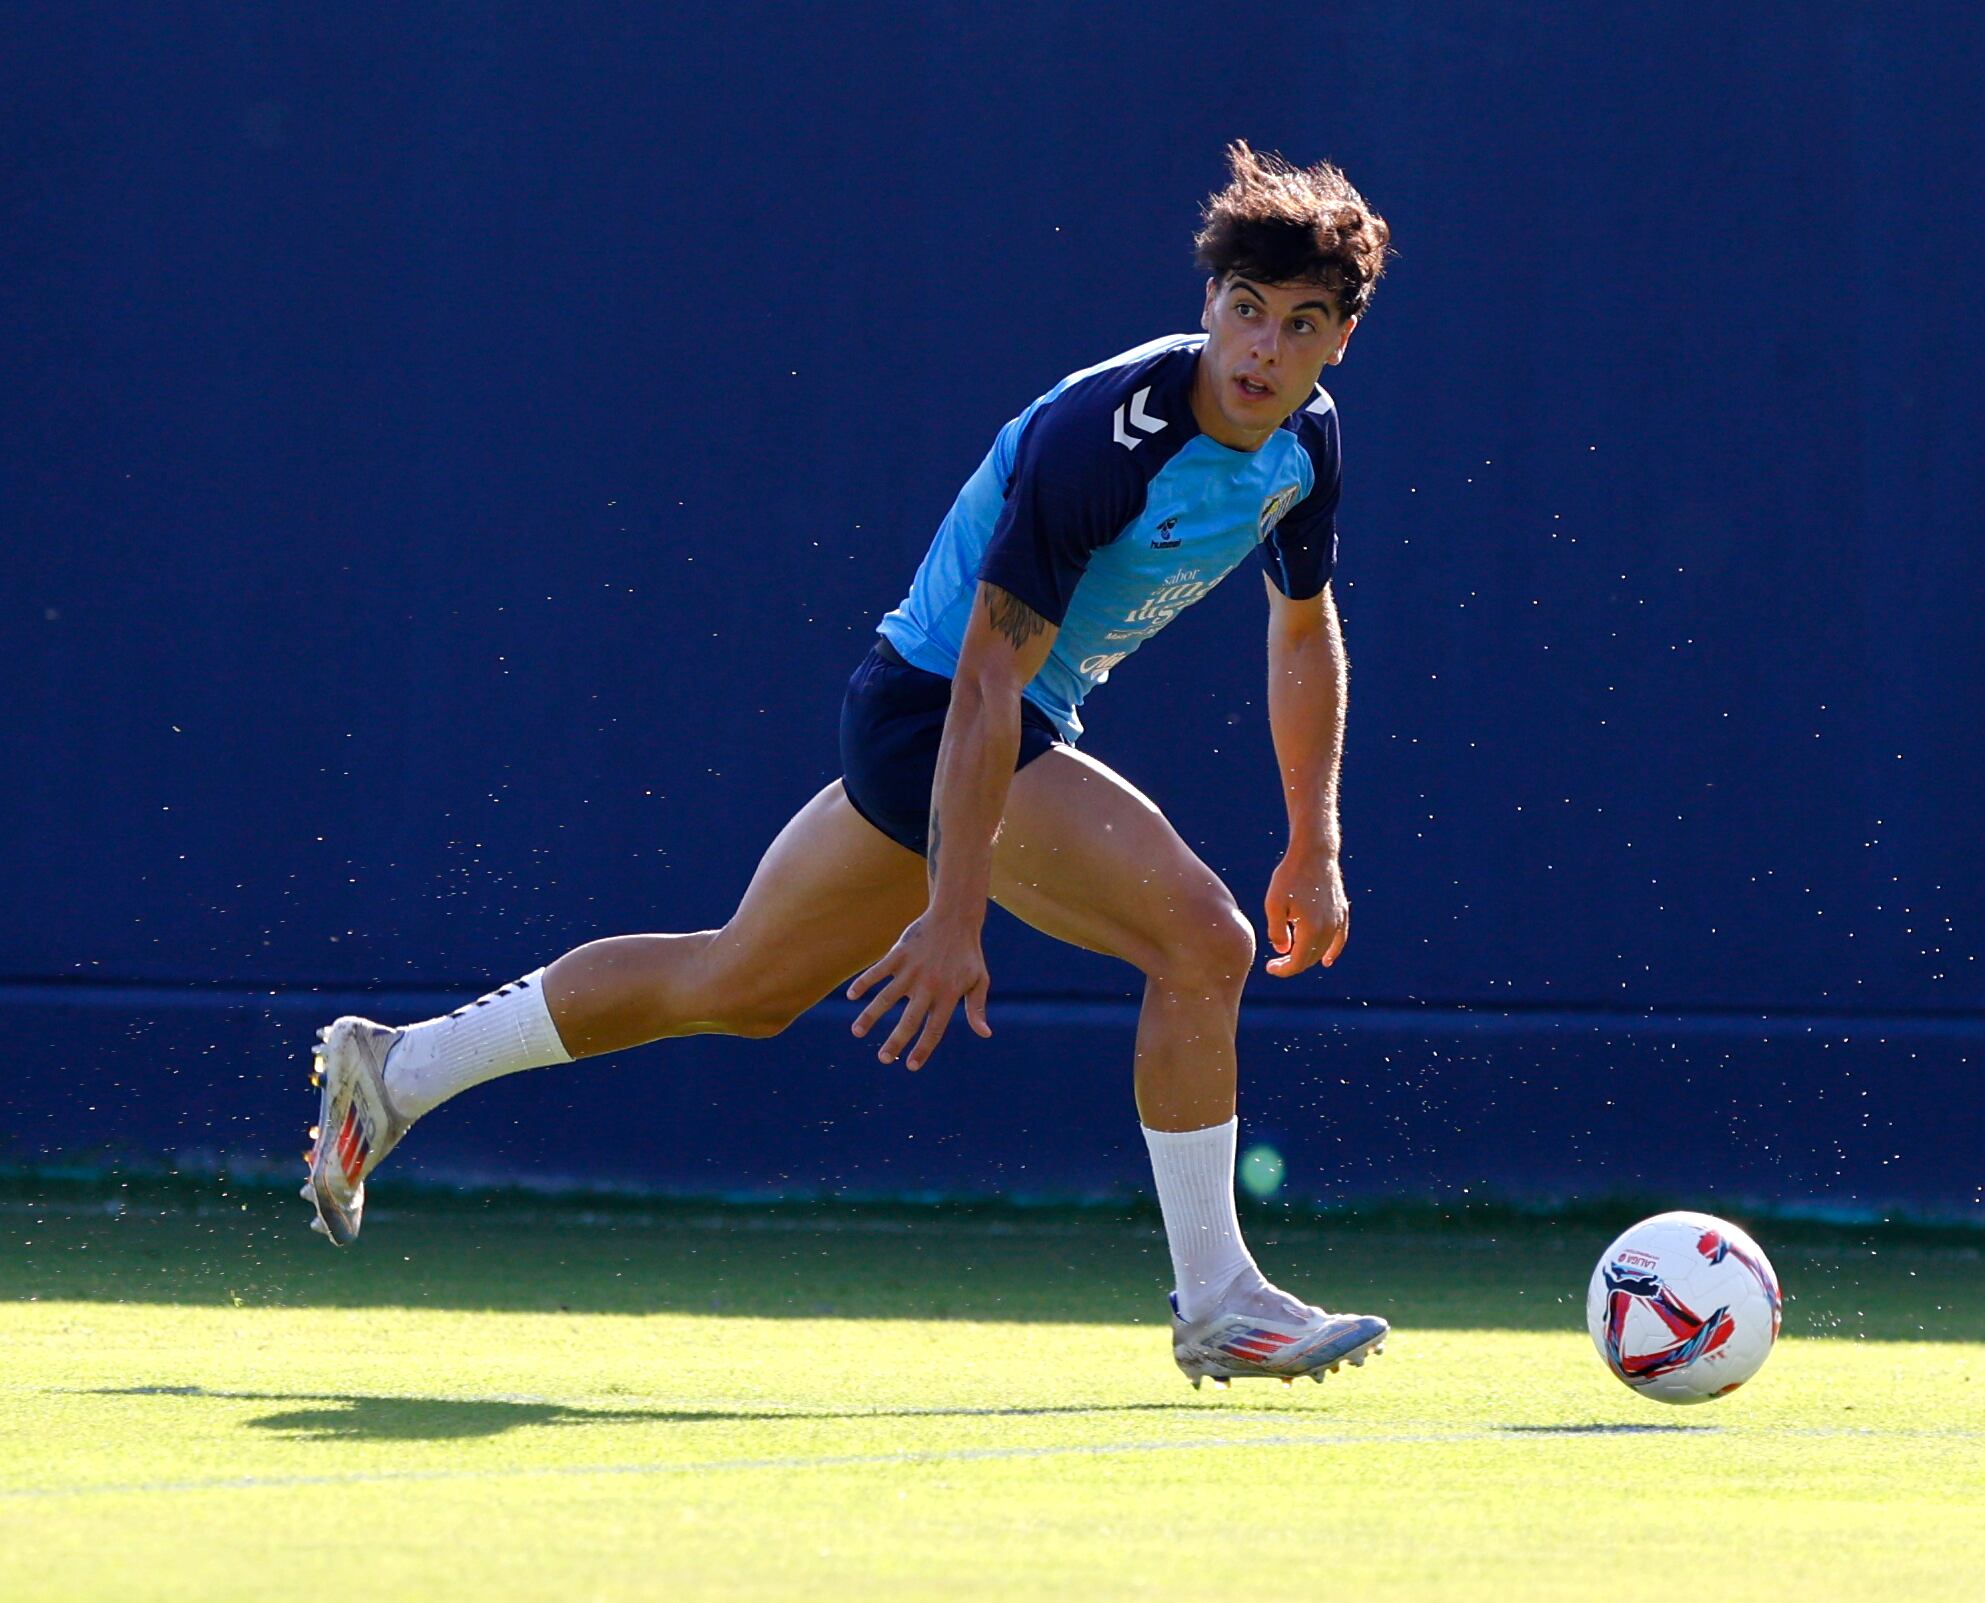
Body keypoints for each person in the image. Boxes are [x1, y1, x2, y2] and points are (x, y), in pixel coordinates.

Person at [304, 142, 1393, 1389]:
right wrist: (952, 908)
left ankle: (397, 1069)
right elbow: (986, 683)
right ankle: (1219, 1296)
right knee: (1203, 941)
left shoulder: (1306, 440)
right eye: (1244, 311)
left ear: (1339, 339)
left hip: (975, 721)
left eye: (1299, 323)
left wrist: (1314, 837)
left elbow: (1301, 625)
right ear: (1206, 305)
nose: (1262, 348)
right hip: (935, 716)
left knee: (740, 981)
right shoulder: (1105, 440)